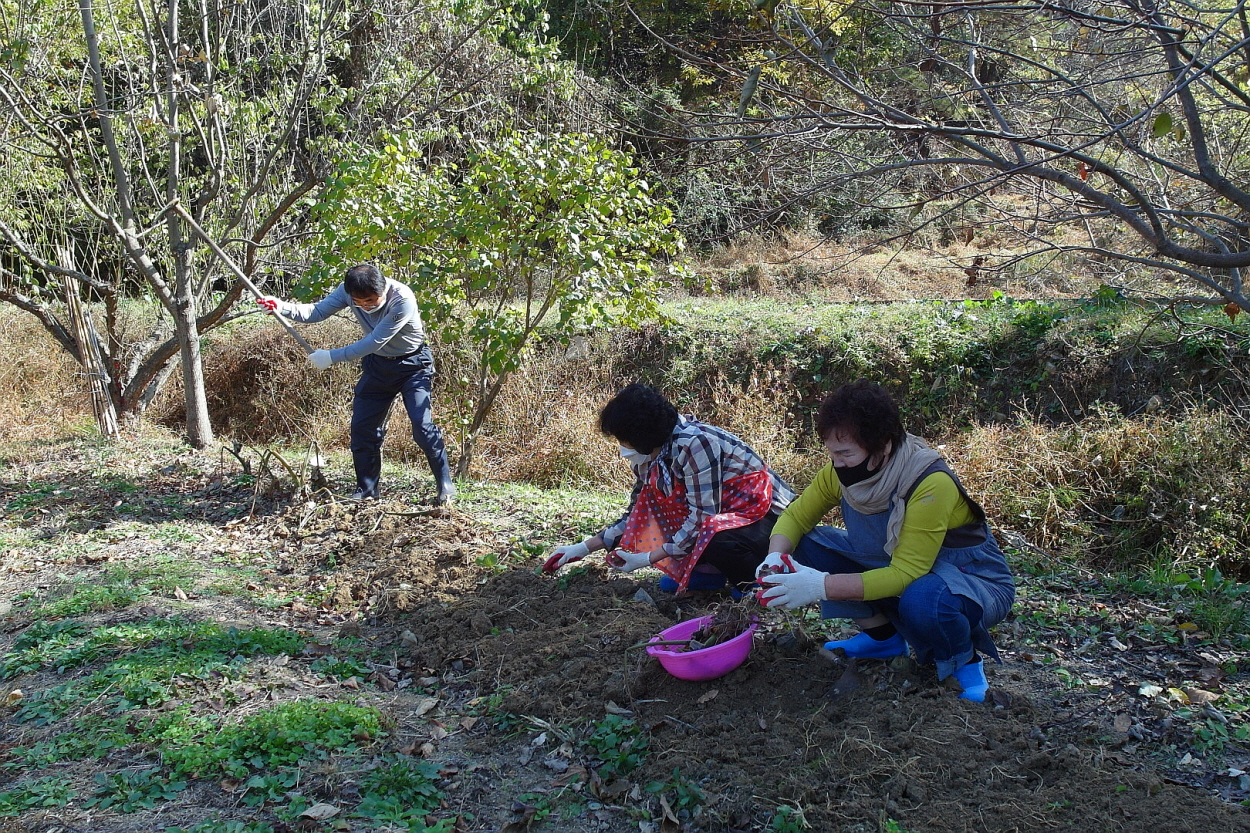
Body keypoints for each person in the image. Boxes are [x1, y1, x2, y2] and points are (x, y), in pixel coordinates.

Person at [757, 380, 1014, 702]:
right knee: (808, 544)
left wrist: (820, 586)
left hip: (966, 578)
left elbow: (907, 573)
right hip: (889, 562)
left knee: (925, 599)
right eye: (832, 453)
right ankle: (883, 639)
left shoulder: (930, 483)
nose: (836, 463)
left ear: (883, 445)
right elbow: (796, 517)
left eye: (846, 453)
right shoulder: (839, 472)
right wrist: (774, 557)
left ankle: (963, 661)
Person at [544, 383, 796, 593]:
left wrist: (647, 558)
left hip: (769, 519)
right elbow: (637, 514)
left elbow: (702, 518)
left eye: (624, 440)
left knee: (716, 537)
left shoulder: (694, 445)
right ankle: (710, 575)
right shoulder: (650, 458)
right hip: (726, 516)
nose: (622, 448)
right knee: (666, 512)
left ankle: (751, 585)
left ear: (643, 436)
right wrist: (582, 548)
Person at [257, 264, 456, 505]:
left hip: (413, 366)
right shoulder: (347, 291)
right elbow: (316, 312)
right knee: (363, 428)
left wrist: (331, 356)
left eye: (371, 300)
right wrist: (281, 306)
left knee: (422, 426)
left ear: (383, 289)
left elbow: (375, 340)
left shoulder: (402, 299)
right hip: (378, 367)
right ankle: (366, 490)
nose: (365, 306)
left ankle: (445, 485)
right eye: (359, 302)